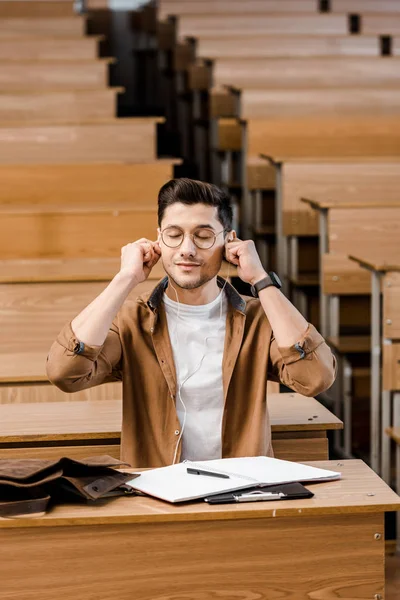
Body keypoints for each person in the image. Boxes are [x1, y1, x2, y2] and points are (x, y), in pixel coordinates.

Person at [47, 178, 336, 467]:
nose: (187, 249)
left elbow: (315, 378)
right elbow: (65, 373)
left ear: (228, 241)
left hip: (243, 491)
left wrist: (261, 281)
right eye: (174, 235)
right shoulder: (131, 321)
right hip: (158, 490)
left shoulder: (259, 319)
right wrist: (125, 279)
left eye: (203, 235)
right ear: (158, 239)